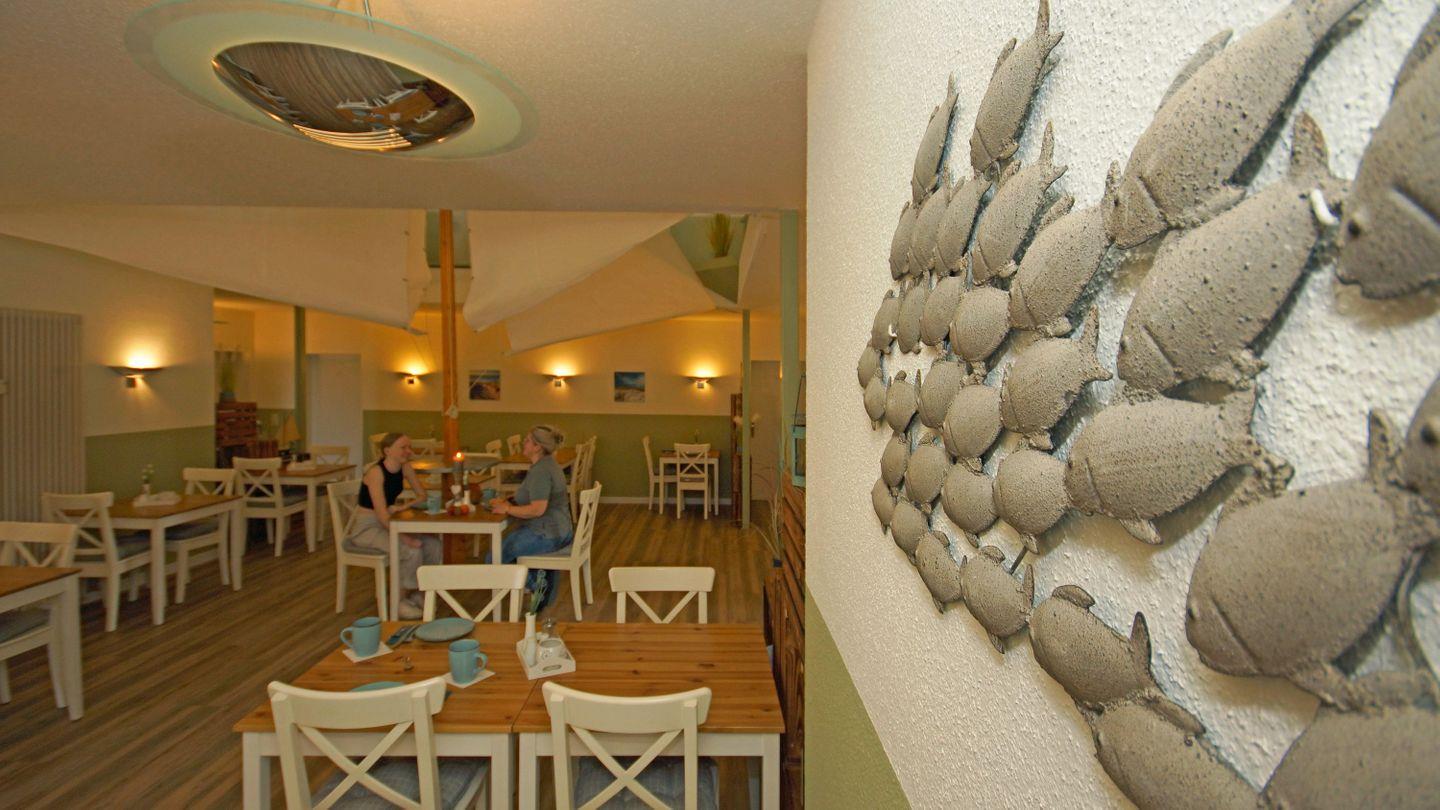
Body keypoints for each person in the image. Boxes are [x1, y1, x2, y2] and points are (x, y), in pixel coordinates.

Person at [345, 432, 442, 619]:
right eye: (403, 447)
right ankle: (400, 602)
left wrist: (403, 506)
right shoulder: (375, 473)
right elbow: (381, 515)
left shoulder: (405, 468)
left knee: (433, 545)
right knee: (410, 549)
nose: (408, 451)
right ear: (387, 450)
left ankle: (420, 593)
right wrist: (405, 538)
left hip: (390, 522)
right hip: (367, 528)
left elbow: (422, 495)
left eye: (409, 447)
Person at [487, 425, 572, 610]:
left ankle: (539, 586)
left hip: (547, 533)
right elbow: (532, 495)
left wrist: (508, 508)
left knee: (494, 557)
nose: (523, 444)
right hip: (560, 529)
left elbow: (537, 509)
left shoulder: (541, 471)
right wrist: (509, 501)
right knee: (505, 550)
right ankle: (539, 579)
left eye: (527, 441)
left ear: (537, 447)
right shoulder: (547, 464)